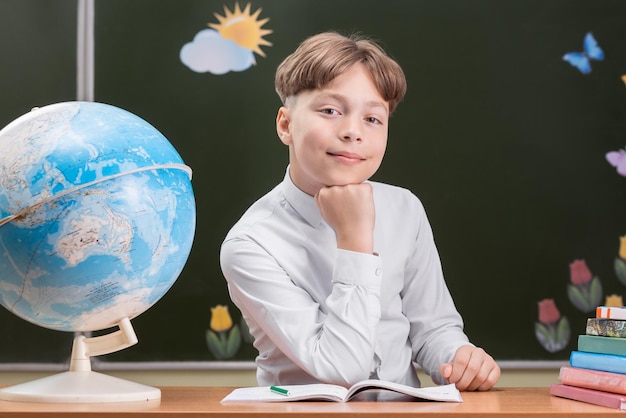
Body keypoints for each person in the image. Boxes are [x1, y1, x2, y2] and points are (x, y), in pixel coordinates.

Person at [220, 31, 500, 391]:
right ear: (285, 124)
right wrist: (354, 238)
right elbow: (341, 369)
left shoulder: (404, 208)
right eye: (331, 111)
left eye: (373, 119)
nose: (353, 131)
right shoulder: (252, 243)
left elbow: (433, 329)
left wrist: (459, 357)